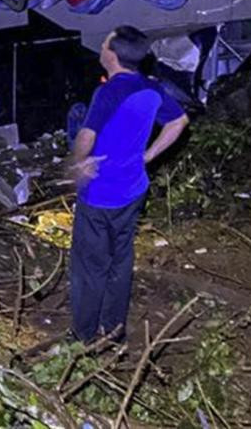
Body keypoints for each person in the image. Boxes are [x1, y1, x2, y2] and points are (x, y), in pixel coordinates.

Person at [68, 25, 190, 342]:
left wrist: (77, 164)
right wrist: (147, 156)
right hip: (133, 188)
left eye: (106, 40)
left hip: (100, 193)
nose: (102, 43)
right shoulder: (151, 89)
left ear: (113, 55)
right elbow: (179, 121)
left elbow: (86, 135)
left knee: (90, 267)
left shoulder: (109, 91)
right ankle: (114, 328)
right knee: (120, 261)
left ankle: (83, 335)